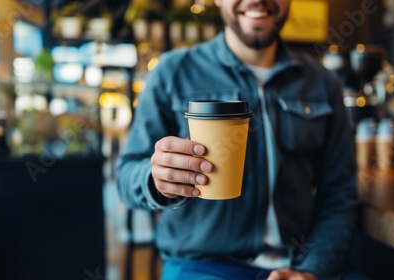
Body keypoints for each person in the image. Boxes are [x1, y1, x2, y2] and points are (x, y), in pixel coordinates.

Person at [117, 0, 358, 279]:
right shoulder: (172, 72)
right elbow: (125, 175)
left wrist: (314, 270)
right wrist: (155, 179)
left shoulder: (322, 83)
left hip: (298, 263)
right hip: (202, 266)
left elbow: (340, 195)